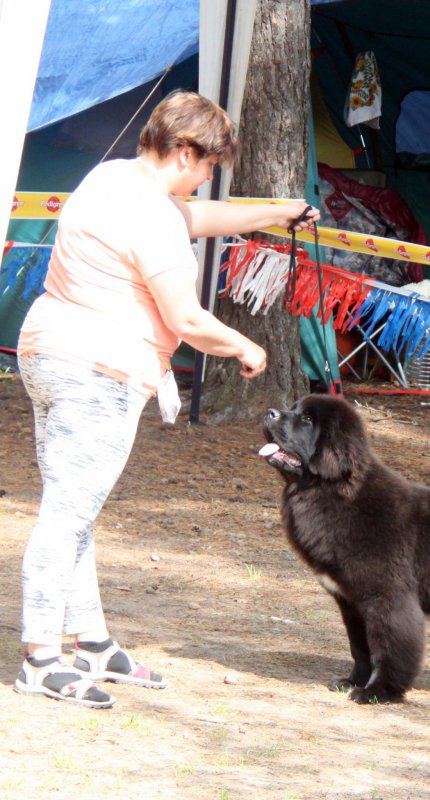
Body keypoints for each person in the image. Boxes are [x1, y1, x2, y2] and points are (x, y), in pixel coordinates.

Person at [14, 89, 319, 708]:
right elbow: (186, 318)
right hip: (99, 367)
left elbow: (202, 219)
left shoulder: (112, 180)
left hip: (48, 351)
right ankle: (40, 656)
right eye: (208, 166)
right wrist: (243, 346)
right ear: (185, 151)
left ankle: (90, 641)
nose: (207, 179)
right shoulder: (152, 216)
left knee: (75, 507)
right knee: (67, 515)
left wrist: (278, 212)